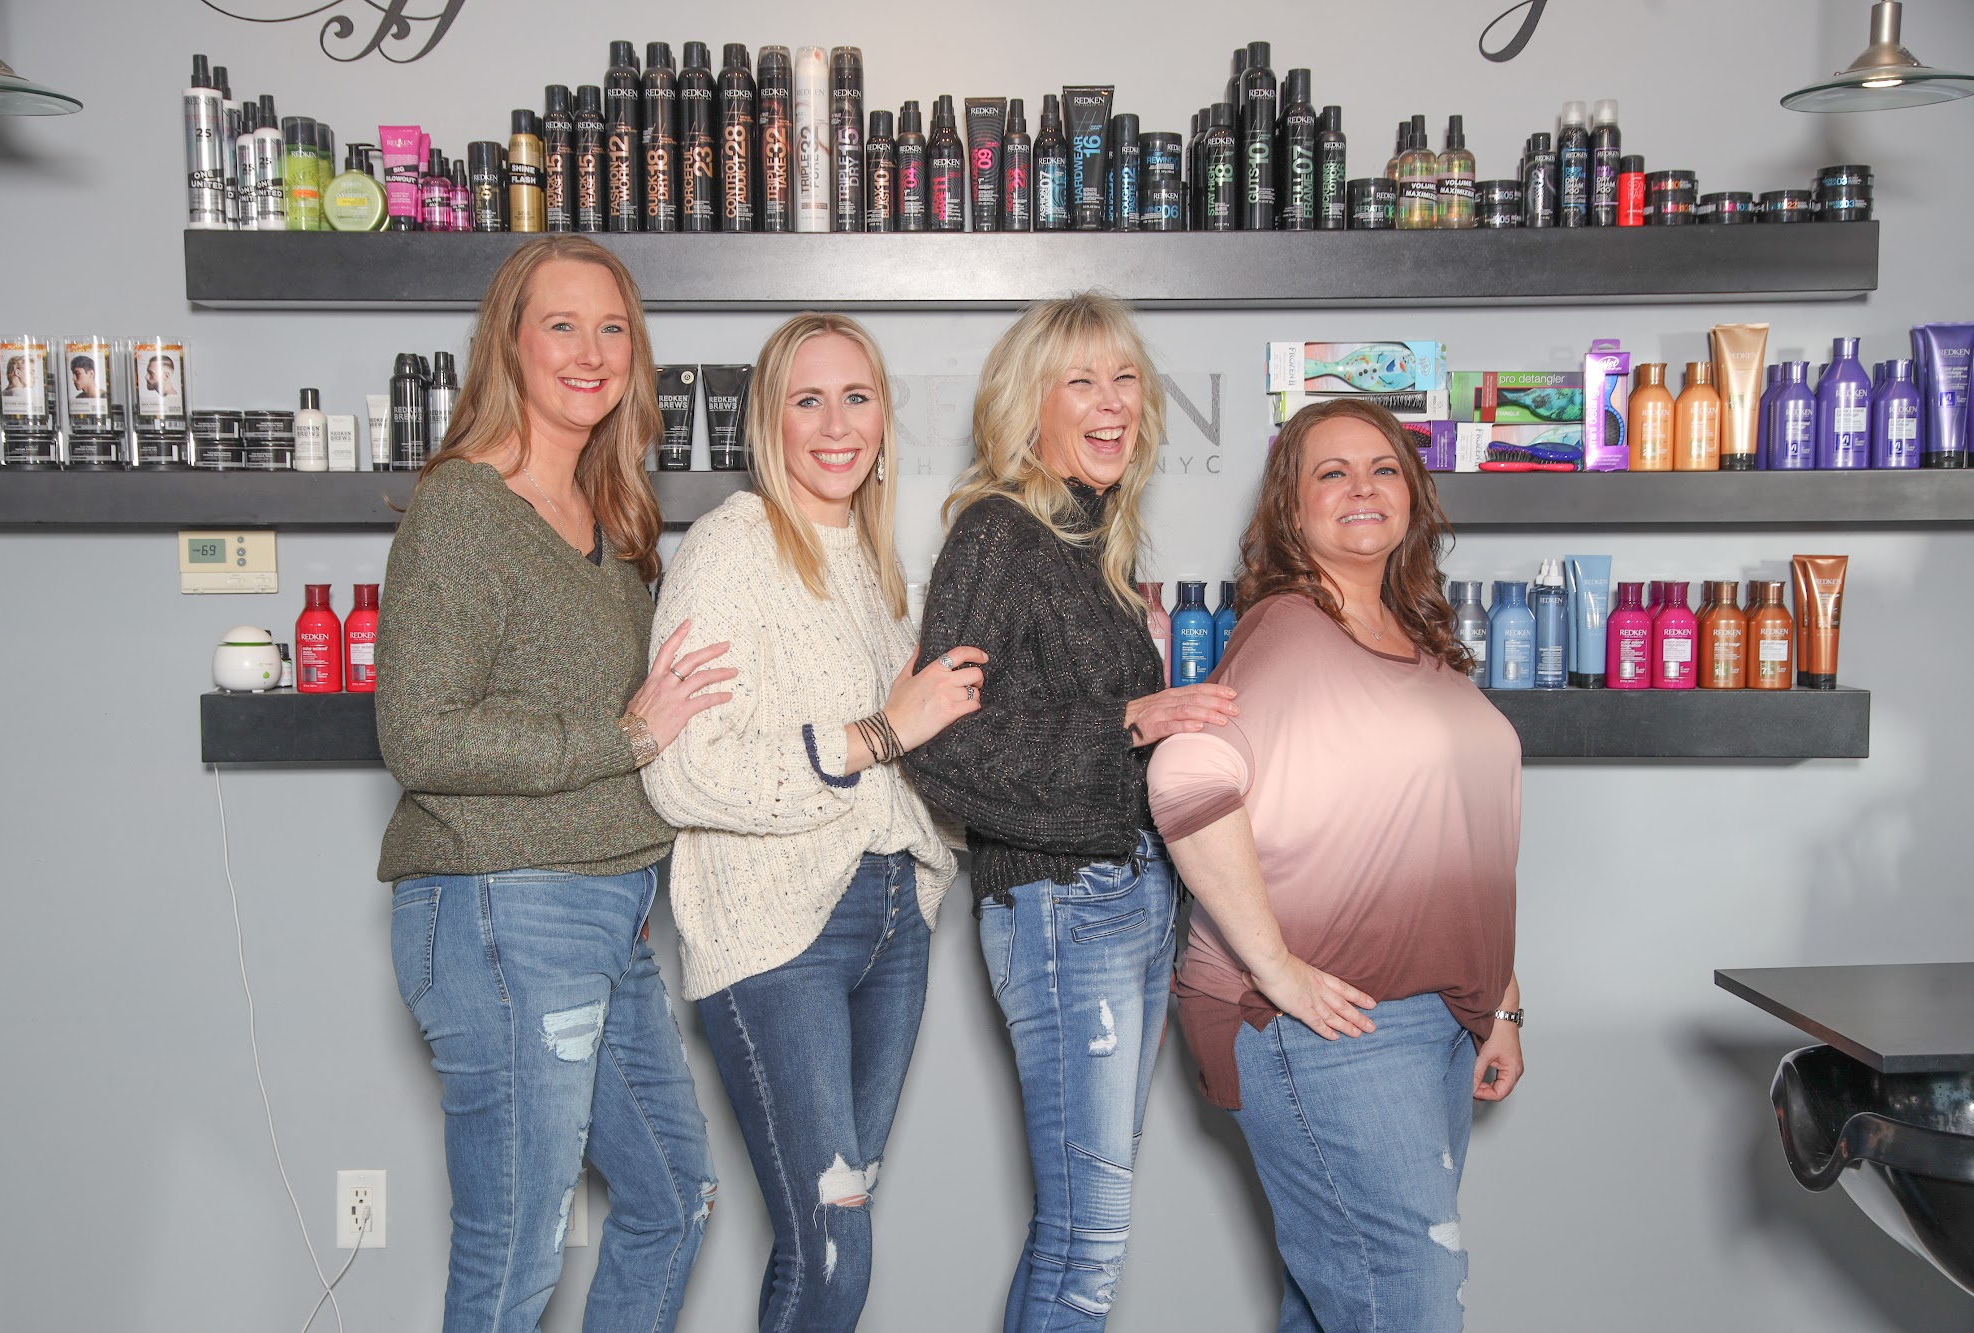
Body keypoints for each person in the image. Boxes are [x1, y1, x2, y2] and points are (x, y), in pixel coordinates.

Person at [376, 234, 730, 1333]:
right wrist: (623, 738)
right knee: (517, 1243)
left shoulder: (610, 517)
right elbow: (421, 736)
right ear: (510, 345)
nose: (590, 351)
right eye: (561, 326)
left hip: (606, 911)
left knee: (673, 1195)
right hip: (501, 908)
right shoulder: (464, 509)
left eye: (612, 328)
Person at [1146, 398, 1525, 1333]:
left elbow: (1460, 831)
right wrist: (1275, 968)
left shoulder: (1421, 638)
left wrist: (1502, 1000)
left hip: (1439, 1017)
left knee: (1340, 1305)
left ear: (1413, 496)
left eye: (1384, 468)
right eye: (1332, 471)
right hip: (1333, 1029)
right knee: (1410, 1299)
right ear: (1292, 506)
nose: (1363, 486)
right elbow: (1186, 775)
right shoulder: (1290, 629)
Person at [903, 291, 1237, 1331]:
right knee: (1086, 1241)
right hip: (1062, 908)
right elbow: (940, 747)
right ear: (1026, 407)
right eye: (1081, 381)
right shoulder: (996, 534)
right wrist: (1129, 718)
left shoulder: (1092, 549)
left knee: (1082, 1234)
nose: (1112, 402)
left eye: (1125, 378)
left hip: (1130, 903)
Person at [643, 312, 982, 1332]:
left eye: (856, 397)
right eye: (807, 400)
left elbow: (917, 760)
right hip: (779, 935)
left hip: (893, 922)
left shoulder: (880, 571)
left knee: (827, 1235)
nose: (836, 424)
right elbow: (682, 771)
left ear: (883, 418)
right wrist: (878, 731)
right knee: (832, 1249)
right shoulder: (731, 545)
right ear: (769, 421)